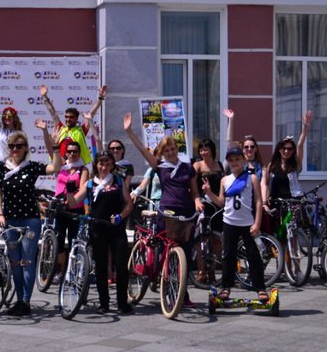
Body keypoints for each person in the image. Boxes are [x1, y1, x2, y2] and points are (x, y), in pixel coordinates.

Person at [124, 112, 203, 307]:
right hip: (166, 212)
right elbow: (142, 150)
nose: (171, 152)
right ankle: (159, 277)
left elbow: (194, 191)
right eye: (166, 150)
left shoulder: (188, 168)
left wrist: (197, 201)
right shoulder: (160, 166)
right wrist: (129, 131)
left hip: (186, 213)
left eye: (173, 149)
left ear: (178, 149)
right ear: (162, 152)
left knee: (184, 255)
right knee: (162, 249)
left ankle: (182, 295)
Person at [0, 123, 62, 316]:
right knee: (15, 262)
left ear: (25, 148)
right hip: (10, 221)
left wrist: (55, 147)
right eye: (12, 146)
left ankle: (25, 301)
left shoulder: (31, 167)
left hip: (30, 220)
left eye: (19, 146)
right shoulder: (2, 169)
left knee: (27, 261)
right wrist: (0, 214)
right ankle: (18, 300)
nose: (15, 150)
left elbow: (54, 167)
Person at [202, 146, 268, 302]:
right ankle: (225, 287)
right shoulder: (225, 180)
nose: (234, 162)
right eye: (231, 160)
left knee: (253, 256)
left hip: (248, 223)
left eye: (237, 159)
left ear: (243, 160)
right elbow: (221, 202)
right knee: (228, 256)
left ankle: (260, 288)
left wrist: (257, 223)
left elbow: (258, 202)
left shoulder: (251, 178)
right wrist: (209, 192)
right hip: (229, 222)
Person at [86, 153, 134, 314]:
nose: (104, 167)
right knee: (101, 267)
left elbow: (129, 204)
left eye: (107, 164)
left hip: (116, 229)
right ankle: (103, 304)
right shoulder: (90, 183)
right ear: (96, 165)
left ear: (112, 165)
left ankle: (122, 303)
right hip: (97, 229)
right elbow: (77, 201)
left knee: (121, 266)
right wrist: (69, 193)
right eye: (101, 164)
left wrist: (121, 216)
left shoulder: (118, 181)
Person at [262, 111, 313, 218]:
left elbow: (300, 146)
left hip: (293, 203)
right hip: (276, 203)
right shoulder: (272, 165)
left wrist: (305, 127)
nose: (286, 151)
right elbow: (266, 184)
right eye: (284, 148)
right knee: (278, 228)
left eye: (289, 149)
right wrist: (265, 202)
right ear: (279, 149)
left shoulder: (295, 164)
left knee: (291, 227)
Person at [39, 84, 106, 165]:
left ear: (76, 119)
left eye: (71, 117)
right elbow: (53, 113)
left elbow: (91, 113)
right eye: (66, 117)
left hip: (77, 165)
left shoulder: (81, 130)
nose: (68, 119)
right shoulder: (61, 128)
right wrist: (45, 97)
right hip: (60, 164)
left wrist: (100, 98)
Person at [53, 140, 89, 282]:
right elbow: (52, 152)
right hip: (60, 208)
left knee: (74, 240)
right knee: (59, 240)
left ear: (79, 153)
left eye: (75, 151)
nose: (72, 154)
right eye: (69, 151)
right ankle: (61, 269)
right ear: (66, 153)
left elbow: (82, 187)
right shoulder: (61, 166)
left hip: (75, 209)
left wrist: (73, 198)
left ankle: (73, 270)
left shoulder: (83, 169)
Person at [224, 108, 265, 180]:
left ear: (256, 149)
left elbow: (263, 183)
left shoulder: (260, 166)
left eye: (252, 147)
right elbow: (229, 142)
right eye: (246, 147)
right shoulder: (238, 162)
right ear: (242, 149)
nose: (249, 149)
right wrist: (231, 119)